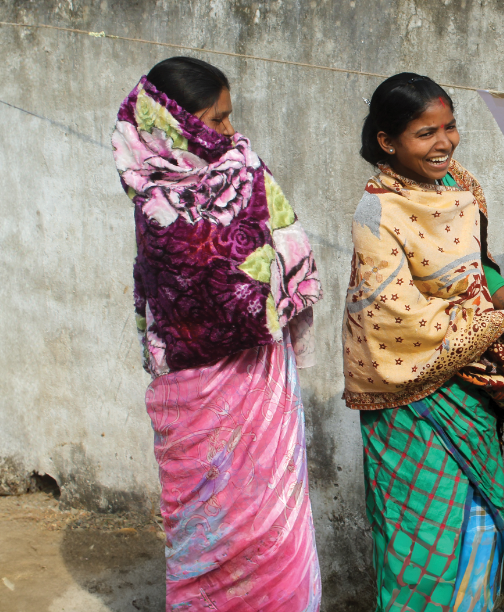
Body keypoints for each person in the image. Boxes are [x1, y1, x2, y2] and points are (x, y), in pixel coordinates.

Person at [343, 73, 504, 612]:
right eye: (426, 133)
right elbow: (396, 319)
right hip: (408, 401)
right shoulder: (376, 214)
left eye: (450, 127)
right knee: (420, 546)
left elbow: (480, 273)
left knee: (477, 530)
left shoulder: (463, 188)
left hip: (467, 391)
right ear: (388, 142)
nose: (444, 142)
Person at [112, 56, 323, 612]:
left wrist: (268, 275)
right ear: (174, 125)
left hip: (258, 377)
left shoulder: (245, 167)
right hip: (194, 390)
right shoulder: (149, 186)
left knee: (273, 528)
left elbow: (288, 242)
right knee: (208, 530)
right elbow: (194, 282)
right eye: (217, 120)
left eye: (230, 118)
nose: (229, 133)